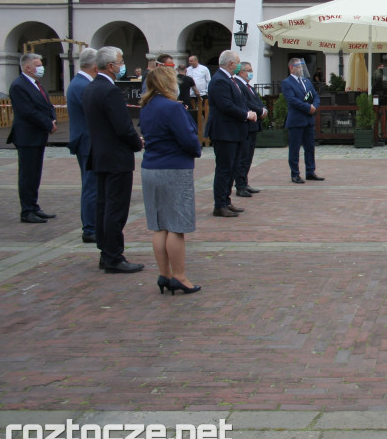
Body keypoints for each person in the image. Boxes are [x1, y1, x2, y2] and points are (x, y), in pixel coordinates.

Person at [139, 65, 202, 295]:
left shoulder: (146, 106)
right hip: (174, 167)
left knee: (159, 225)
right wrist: (196, 149)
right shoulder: (172, 107)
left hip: (151, 167)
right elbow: (188, 138)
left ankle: (164, 274)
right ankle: (180, 276)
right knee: (176, 226)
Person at [82, 46, 145, 273]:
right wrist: (137, 142)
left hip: (101, 155)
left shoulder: (91, 88)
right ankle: (113, 256)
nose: (122, 66)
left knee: (104, 205)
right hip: (116, 157)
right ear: (110, 66)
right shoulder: (109, 91)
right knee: (115, 208)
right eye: (120, 62)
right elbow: (123, 127)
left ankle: (105, 250)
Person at [206, 50, 257, 217]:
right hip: (224, 132)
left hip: (234, 131)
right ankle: (220, 204)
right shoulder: (219, 81)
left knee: (232, 167)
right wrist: (246, 114)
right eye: (238, 63)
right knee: (224, 169)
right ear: (230, 64)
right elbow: (226, 106)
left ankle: (226, 201)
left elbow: (239, 101)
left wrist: (249, 111)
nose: (239, 66)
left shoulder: (230, 80)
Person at [8, 52, 57, 224]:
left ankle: (34, 206)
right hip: (27, 136)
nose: (41, 67)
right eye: (37, 64)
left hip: (38, 135)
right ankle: (27, 210)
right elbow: (28, 111)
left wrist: (53, 118)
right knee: (27, 174)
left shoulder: (36, 84)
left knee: (35, 173)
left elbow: (47, 104)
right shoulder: (19, 85)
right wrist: (48, 124)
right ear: (27, 67)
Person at [66, 48, 99, 242]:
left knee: (92, 184)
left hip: (86, 139)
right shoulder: (82, 85)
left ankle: (92, 224)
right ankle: (89, 227)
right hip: (87, 140)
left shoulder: (81, 83)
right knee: (91, 185)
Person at [281, 57, 324, 183]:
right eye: (298, 67)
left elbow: (315, 96)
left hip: (309, 120)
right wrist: (307, 107)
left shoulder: (306, 81)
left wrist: (314, 106)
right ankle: (295, 173)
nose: (301, 69)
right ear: (291, 68)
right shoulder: (287, 83)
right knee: (294, 148)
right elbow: (292, 100)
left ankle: (310, 171)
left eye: (301, 67)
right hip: (296, 120)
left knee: (310, 147)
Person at [235, 61, 268, 197]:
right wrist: (260, 111)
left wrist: (263, 109)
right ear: (242, 72)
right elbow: (245, 102)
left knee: (248, 156)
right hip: (246, 124)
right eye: (249, 70)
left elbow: (256, 100)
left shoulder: (247, 86)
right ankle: (240, 185)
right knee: (243, 156)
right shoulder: (238, 85)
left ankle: (244, 182)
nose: (251, 72)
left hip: (253, 125)